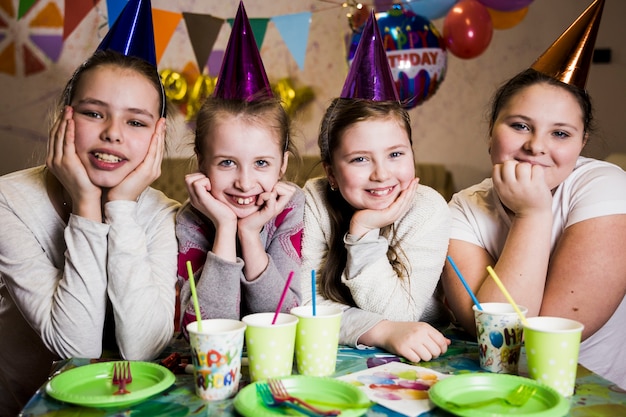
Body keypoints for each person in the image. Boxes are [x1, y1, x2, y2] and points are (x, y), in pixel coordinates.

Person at [0, 0, 179, 413]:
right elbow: (75, 346)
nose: (113, 133)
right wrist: (86, 206)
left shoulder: (162, 213)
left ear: (158, 135)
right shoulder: (9, 201)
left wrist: (120, 207)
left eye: (136, 121)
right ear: (65, 119)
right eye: (94, 113)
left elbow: (141, 348)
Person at [442, 0, 626, 389]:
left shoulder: (605, 185)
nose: (537, 146)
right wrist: (533, 215)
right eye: (521, 126)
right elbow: (496, 340)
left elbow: (532, 341)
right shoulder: (463, 207)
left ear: (581, 143)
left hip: (587, 395)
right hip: (492, 388)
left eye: (560, 133)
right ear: (492, 129)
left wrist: (532, 213)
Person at [300, 11, 451, 363]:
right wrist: (380, 331)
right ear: (331, 173)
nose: (382, 174)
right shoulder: (314, 201)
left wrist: (363, 234)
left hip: (421, 358)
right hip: (331, 357)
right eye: (359, 159)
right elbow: (302, 301)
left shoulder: (427, 208)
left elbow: (403, 314)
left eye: (396, 154)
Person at [176, 2, 303, 330]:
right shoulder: (190, 220)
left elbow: (285, 319)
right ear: (202, 162)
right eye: (227, 163)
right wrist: (225, 227)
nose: (245, 183)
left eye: (261, 163)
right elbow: (203, 330)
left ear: (283, 165)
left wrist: (248, 234)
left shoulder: (291, 209)